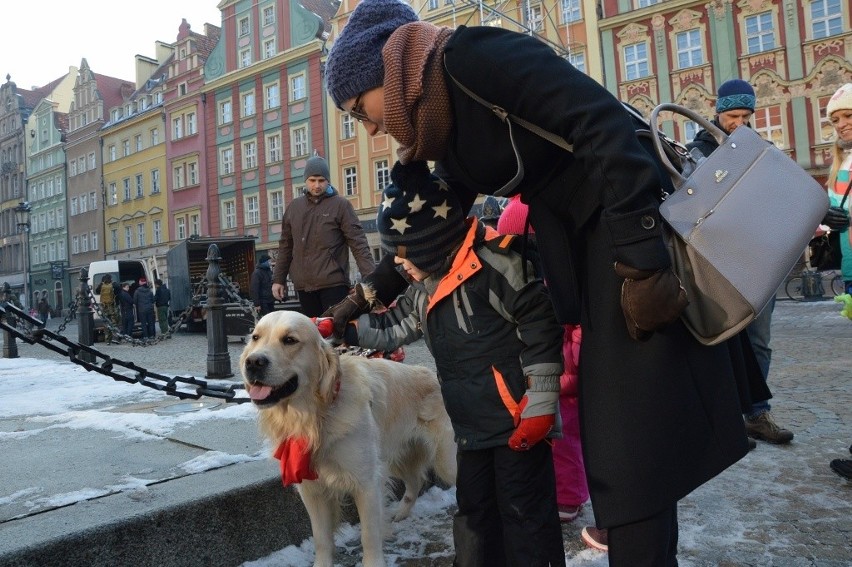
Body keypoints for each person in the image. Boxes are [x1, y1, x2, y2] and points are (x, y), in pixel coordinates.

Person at [323, 1, 758, 563]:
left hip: (624, 236)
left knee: (630, 445)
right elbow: (434, 224)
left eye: (361, 108)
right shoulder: (445, 127)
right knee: (618, 443)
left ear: (387, 71)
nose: (371, 126)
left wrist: (643, 262)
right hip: (582, 251)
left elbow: (600, 121)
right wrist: (362, 298)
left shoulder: (473, 57)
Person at [335, 160, 566, 566]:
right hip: (470, 428)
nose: (399, 266)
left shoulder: (497, 265)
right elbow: (395, 325)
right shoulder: (423, 287)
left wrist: (542, 404)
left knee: (525, 517)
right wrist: (345, 329)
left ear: (432, 245)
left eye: (402, 257)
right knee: (473, 514)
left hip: (517, 423)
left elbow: (541, 327)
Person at [687, 79, 794, 446]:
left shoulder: (761, 149)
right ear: (718, 112)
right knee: (721, 340)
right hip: (719, 260)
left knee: (759, 340)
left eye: (747, 115)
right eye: (733, 115)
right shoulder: (696, 150)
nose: (740, 122)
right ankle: (723, 415)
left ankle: (757, 413)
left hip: (760, 257)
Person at [496, 195, 590, 523]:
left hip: (565, 380)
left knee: (566, 443)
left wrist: (571, 372)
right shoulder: (540, 282)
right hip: (553, 378)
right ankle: (563, 491)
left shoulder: (558, 284)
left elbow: (577, 333)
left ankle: (569, 499)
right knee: (556, 442)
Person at [271, 155, 376, 317]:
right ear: (306, 180)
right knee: (312, 336)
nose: (317, 185)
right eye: (312, 180)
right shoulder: (294, 208)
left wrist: (371, 279)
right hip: (304, 285)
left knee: (334, 335)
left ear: (328, 181)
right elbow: (285, 246)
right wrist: (278, 279)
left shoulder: (341, 205)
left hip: (333, 283)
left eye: (321, 180)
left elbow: (358, 243)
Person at [825, 83, 852, 294]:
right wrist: (827, 215)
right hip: (849, 268)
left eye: (848, 115)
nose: (841, 124)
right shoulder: (840, 164)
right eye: (835, 120)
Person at [96, 274, 119, 343]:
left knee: (106, 323)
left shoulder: (101, 285)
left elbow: (97, 291)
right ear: (111, 278)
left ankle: (107, 340)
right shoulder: (114, 285)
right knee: (114, 323)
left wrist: (101, 283)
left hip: (104, 307)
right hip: (112, 307)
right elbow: (118, 291)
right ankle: (115, 338)